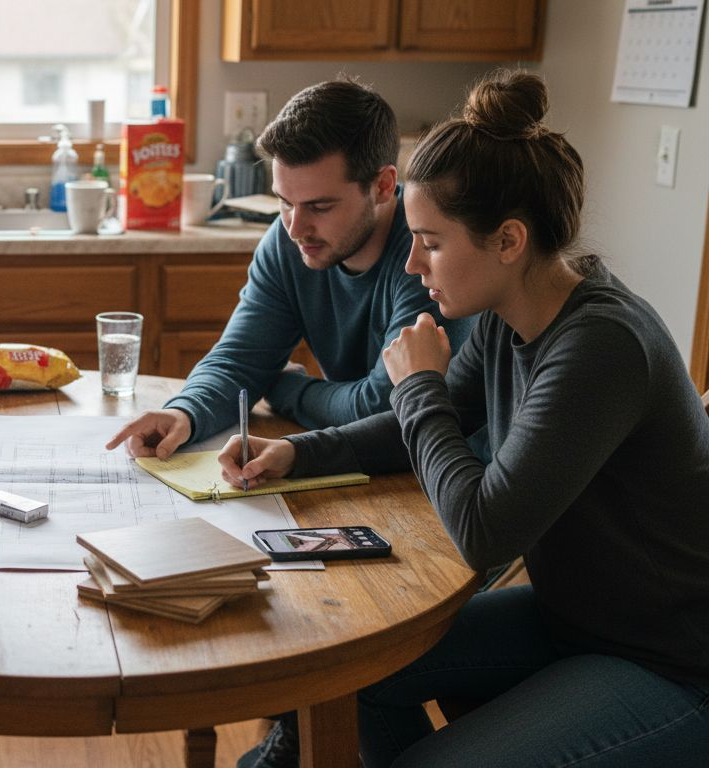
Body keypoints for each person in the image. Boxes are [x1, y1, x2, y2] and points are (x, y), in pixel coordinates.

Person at [223, 70, 709, 767]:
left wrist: (417, 387)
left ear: (508, 240)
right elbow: (423, 424)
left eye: (432, 241)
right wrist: (300, 453)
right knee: (352, 673)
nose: (414, 262)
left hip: (671, 661)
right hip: (572, 620)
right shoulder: (506, 317)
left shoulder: (600, 346)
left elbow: (484, 533)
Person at [107, 78, 474, 458]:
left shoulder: (427, 253)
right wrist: (184, 412)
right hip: (351, 460)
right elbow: (239, 359)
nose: (295, 229)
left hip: (426, 472)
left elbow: (385, 407)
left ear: (383, 186)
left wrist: (284, 389)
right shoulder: (286, 242)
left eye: (320, 207)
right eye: (284, 202)